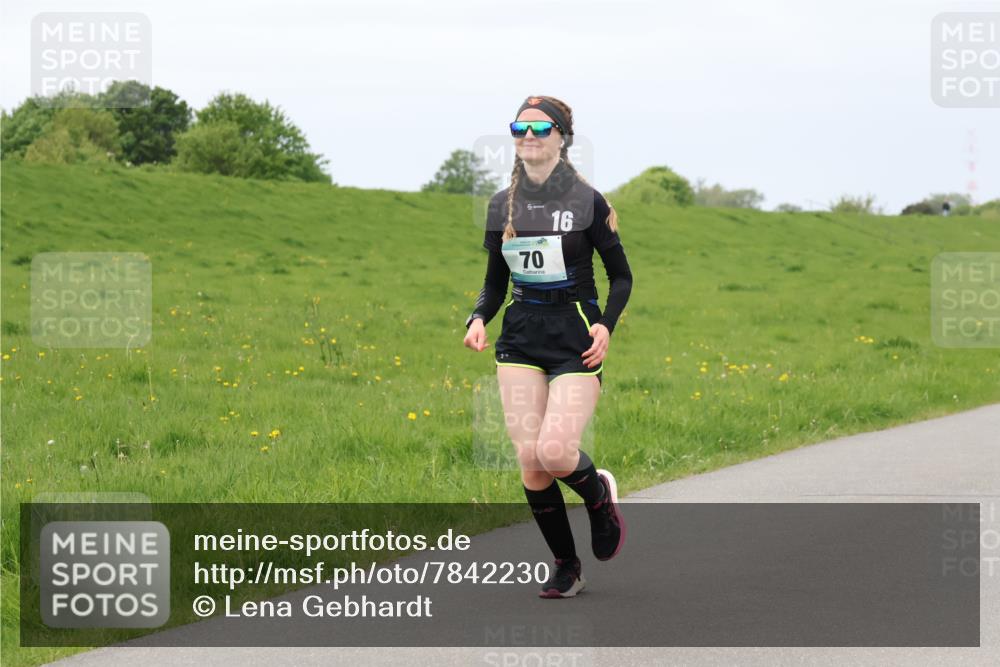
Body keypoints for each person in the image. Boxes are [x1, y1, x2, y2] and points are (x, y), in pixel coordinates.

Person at [462, 95, 634, 598]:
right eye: (520, 128)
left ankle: (598, 496)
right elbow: (494, 283)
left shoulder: (589, 201)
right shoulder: (501, 205)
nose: (528, 136)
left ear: (562, 137)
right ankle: (566, 565)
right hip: (520, 337)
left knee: (556, 451)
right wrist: (477, 317)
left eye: (540, 128)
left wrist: (606, 325)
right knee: (532, 462)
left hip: (575, 336)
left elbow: (621, 276)